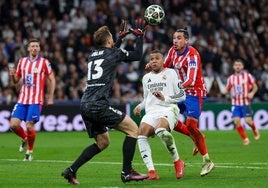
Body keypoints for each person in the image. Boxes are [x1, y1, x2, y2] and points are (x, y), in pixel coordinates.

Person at [61, 19, 149, 185]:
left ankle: (70, 170)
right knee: (133, 130)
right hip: (98, 105)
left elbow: (107, 52)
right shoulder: (113, 53)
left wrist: (120, 39)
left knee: (103, 142)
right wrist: (139, 36)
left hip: (85, 104)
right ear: (109, 41)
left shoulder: (92, 55)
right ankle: (126, 172)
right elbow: (137, 55)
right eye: (112, 40)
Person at [163, 28, 215, 176]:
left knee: (191, 125)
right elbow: (165, 67)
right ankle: (197, 137)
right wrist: (154, 69)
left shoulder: (192, 55)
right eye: (174, 38)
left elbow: (191, 80)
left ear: (186, 40)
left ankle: (207, 161)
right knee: (168, 120)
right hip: (181, 92)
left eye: (179, 38)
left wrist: (175, 90)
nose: (175, 41)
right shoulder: (172, 51)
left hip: (194, 92)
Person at [134, 50, 186, 180]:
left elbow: (182, 95)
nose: (154, 61)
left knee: (160, 130)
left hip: (168, 109)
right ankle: (152, 171)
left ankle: (177, 161)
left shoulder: (171, 73)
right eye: (151, 59)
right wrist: (140, 106)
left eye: (157, 58)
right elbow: (147, 99)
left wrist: (165, 98)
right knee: (141, 132)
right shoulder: (146, 78)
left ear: (163, 61)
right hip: (151, 112)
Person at [9, 38, 56, 161]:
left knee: (29, 126)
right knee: (13, 125)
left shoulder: (44, 63)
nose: (35, 48)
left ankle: (29, 152)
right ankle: (25, 138)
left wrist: (50, 96)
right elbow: (15, 81)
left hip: (36, 100)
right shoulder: (22, 62)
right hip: (22, 99)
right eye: (33, 46)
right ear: (29, 49)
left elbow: (52, 79)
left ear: (39, 48)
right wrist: (12, 75)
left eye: (37, 46)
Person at [224, 59, 260, 145]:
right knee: (236, 121)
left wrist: (252, 93)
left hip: (245, 103)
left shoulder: (248, 76)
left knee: (248, 121)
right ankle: (245, 139)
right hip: (235, 103)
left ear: (242, 67)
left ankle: (254, 129)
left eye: (239, 65)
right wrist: (225, 92)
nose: (237, 66)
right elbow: (227, 89)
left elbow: (255, 87)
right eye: (236, 65)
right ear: (233, 67)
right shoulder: (231, 78)